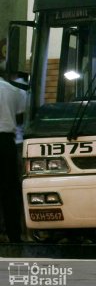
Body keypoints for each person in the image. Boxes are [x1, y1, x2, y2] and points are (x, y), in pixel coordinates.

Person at [0, 64, 26, 243]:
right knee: (9, 189)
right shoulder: (14, 91)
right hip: (5, 143)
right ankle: (14, 234)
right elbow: (20, 118)